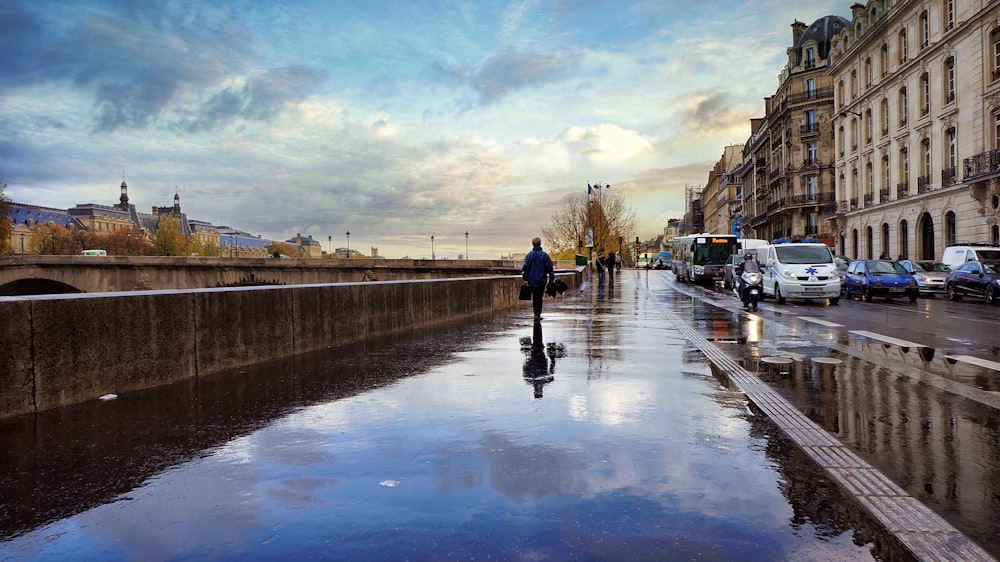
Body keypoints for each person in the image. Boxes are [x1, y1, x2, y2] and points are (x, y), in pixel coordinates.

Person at [521, 236, 555, 321]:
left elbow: (525, 267)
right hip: (541, 280)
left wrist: (525, 278)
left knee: (535, 297)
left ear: (533, 244)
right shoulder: (544, 255)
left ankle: (536, 313)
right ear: (540, 244)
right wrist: (552, 277)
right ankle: (538, 313)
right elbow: (549, 267)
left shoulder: (529, 255)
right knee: (539, 297)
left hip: (532, 280)